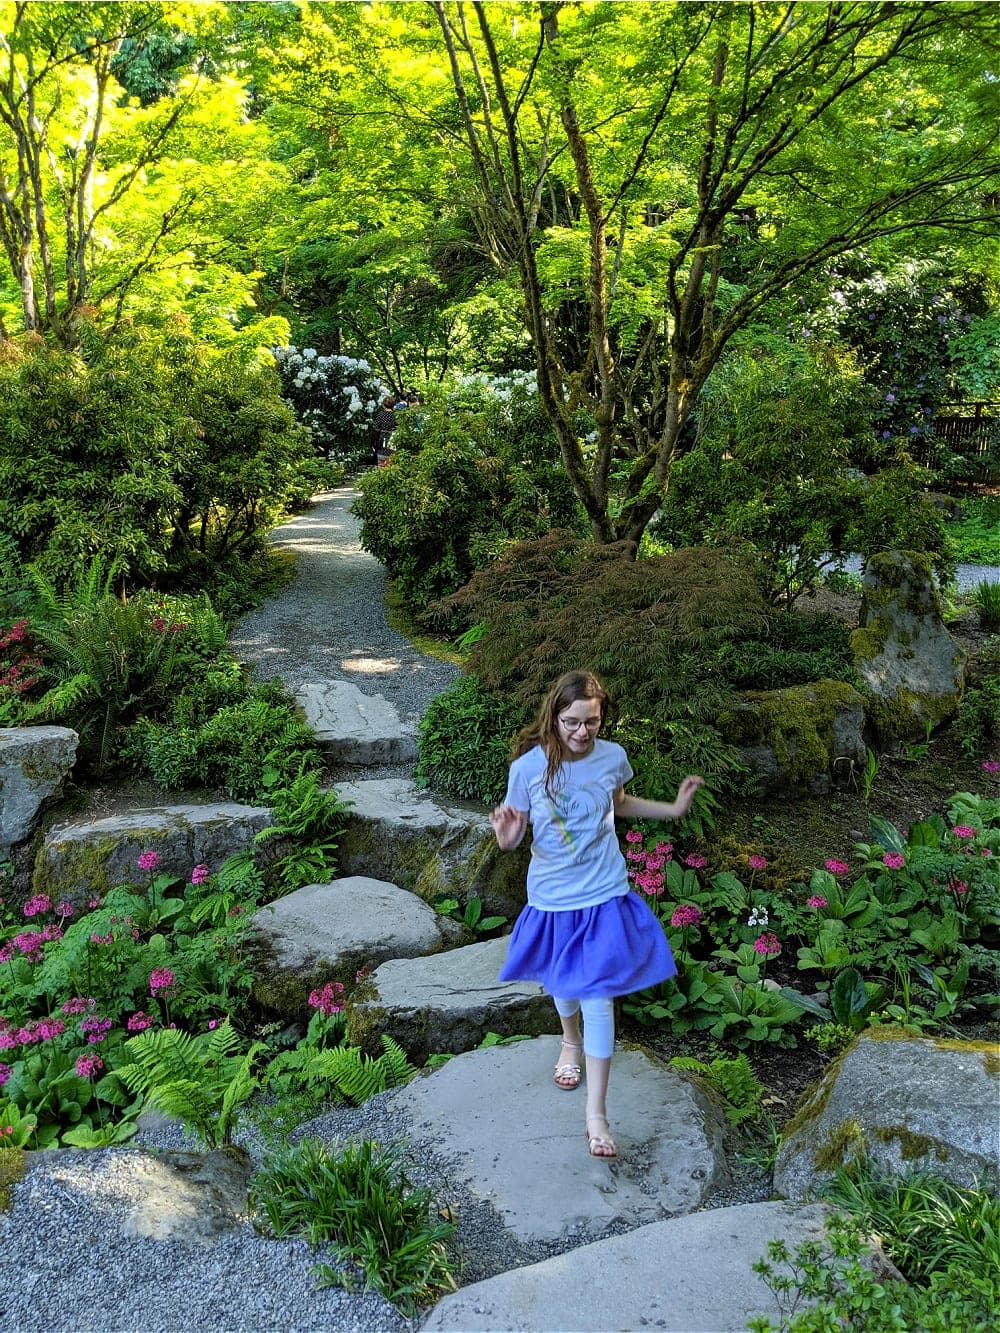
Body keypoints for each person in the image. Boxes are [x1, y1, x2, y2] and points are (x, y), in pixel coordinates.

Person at [489, 669, 703, 1160]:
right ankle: (569, 1041)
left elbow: (619, 804)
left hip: (605, 891)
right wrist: (506, 836)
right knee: (563, 984)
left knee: (599, 997)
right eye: (572, 722)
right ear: (553, 717)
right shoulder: (528, 768)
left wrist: (672, 810)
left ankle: (597, 1115)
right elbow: (515, 836)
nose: (583, 733)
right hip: (554, 897)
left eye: (592, 722)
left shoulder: (613, 758)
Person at [371, 395, 397, 466]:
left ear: (383, 405)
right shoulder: (396, 415)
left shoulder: (380, 415)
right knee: (392, 458)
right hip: (393, 438)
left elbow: (376, 427)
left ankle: (382, 472)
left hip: (382, 438)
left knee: (382, 459)